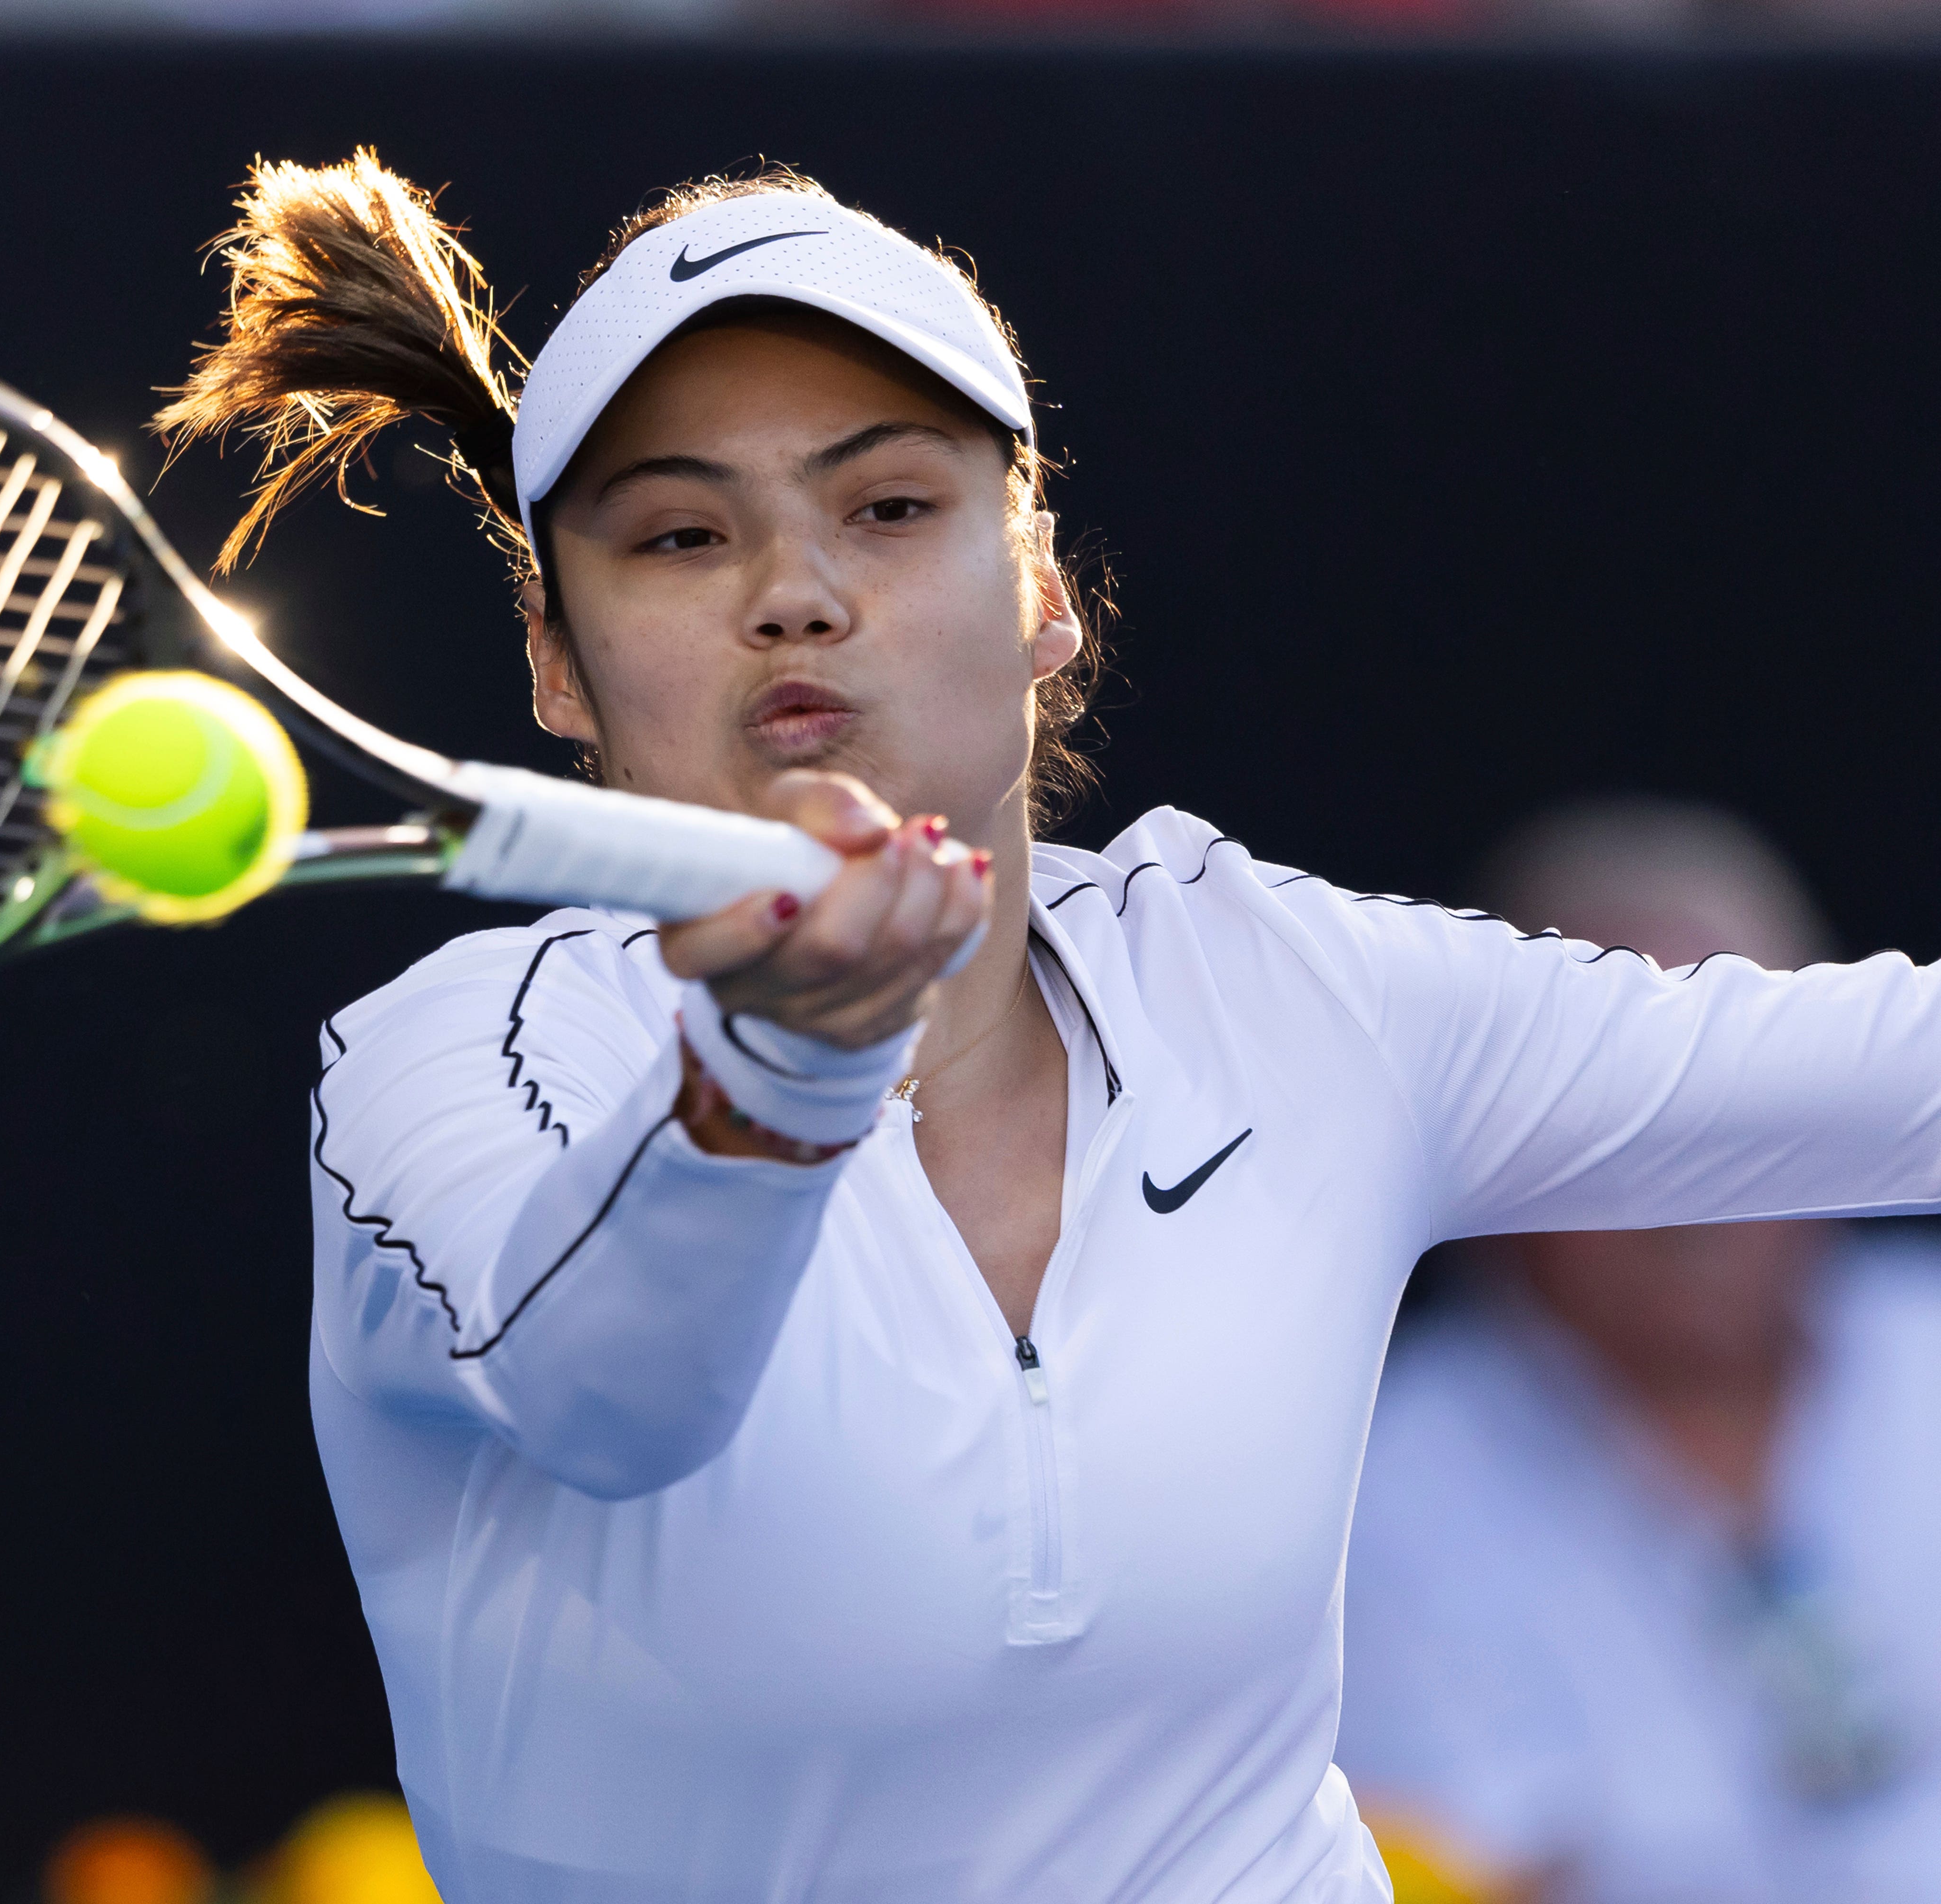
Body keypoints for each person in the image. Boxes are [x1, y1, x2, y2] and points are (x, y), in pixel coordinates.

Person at [154, 152, 1941, 1902]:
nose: (797, 590)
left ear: (1045, 599)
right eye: (684, 533)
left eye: (891, 508)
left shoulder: (1288, 991)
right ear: (557, 655)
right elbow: (606, 1399)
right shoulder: (445, 1066)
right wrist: (782, 1067)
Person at [1337, 797, 1941, 1904]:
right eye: (1628, 1113)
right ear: (1502, 1138)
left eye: (1747, 1089)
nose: (1694, 1180)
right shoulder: (1366, 1488)